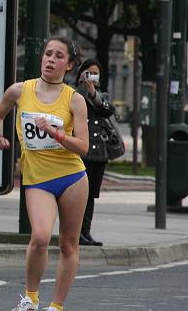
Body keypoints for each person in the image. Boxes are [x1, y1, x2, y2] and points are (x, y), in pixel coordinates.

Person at [0, 37, 89, 311]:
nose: (50, 60)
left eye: (58, 56)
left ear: (68, 65)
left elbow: (83, 146)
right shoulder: (21, 90)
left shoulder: (75, 100)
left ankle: (56, 306)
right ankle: (30, 298)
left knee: (69, 244)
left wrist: (56, 133)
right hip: (38, 179)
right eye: (48, 54)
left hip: (72, 177)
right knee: (41, 237)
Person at [74, 59, 117, 247]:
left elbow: (108, 111)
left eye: (95, 74)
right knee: (78, 195)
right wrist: (84, 89)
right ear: (81, 74)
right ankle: (76, 232)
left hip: (99, 153)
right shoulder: (74, 94)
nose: (92, 77)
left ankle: (86, 231)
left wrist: (93, 93)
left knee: (91, 195)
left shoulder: (102, 96)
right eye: (88, 73)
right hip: (81, 152)